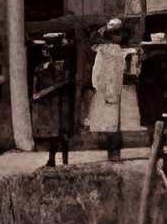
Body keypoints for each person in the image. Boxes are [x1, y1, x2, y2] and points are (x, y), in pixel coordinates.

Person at [85, 18, 137, 160]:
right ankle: (112, 150)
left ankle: (114, 150)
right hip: (107, 88)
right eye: (115, 34)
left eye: (119, 34)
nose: (118, 37)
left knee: (114, 121)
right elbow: (98, 71)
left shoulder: (122, 51)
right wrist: (99, 87)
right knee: (110, 121)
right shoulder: (105, 50)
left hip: (118, 88)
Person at [30, 29, 79, 168]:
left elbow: (68, 81)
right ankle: (52, 159)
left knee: (62, 133)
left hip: (62, 102)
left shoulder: (64, 66)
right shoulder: (41, 68)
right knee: (53, 133)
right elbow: (36, 90)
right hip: (51, 103)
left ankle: (64, 161)